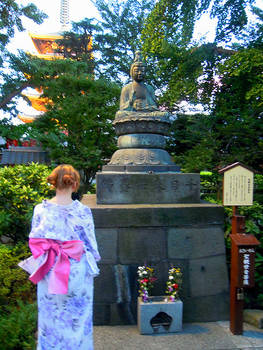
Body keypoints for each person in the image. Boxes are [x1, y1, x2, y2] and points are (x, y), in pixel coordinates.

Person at [27, 164, 100, 350]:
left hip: (49, 267)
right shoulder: (83, 211)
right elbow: (91, 245)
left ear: (53, 183)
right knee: (78, 318)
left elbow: (34, 241)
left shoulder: (40, 210)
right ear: (75, 184)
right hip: (76, 268)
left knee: (50, 317)